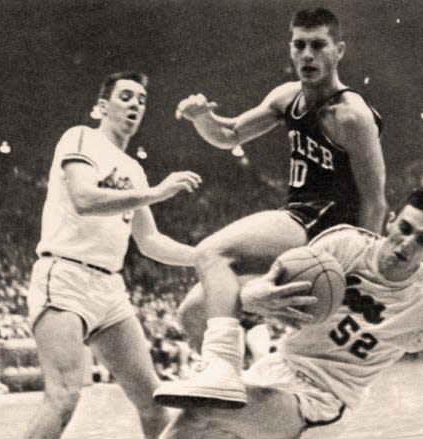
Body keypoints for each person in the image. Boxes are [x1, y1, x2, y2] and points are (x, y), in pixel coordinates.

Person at [154, 7, 387, 407]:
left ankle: (223, 368)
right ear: (291, 49)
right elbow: (229, 134)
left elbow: (375, 200)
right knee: (194, 312)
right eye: (300, 45)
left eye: (318, 45)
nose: (308, 54)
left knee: (212, 250)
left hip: (327, 230)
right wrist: (200, 118)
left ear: (339, 50)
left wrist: (358, 275)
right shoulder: (286, 97)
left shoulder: (352, 115)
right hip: (298, 224)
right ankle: (246, 402)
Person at [157, 189, 423, 439]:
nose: (407, 244)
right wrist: (253, 299)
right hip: (276, 367)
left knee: (201, 413)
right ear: (391, 221)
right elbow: (269, 287)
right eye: (405, 228)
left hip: (324, 398)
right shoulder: (343, 244)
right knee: (195, 312)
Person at [23, 71, 202, 439]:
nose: (135, 104)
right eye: (125, 97)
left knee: (153, 399)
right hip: (65, 275)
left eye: (141, 100)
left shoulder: (134, 169)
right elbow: (85, 199)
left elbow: (150, 241)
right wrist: (155, 193)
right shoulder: (81, 137)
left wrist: (204, 257)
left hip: (108, 288)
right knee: (64, 397)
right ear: (102, 107)